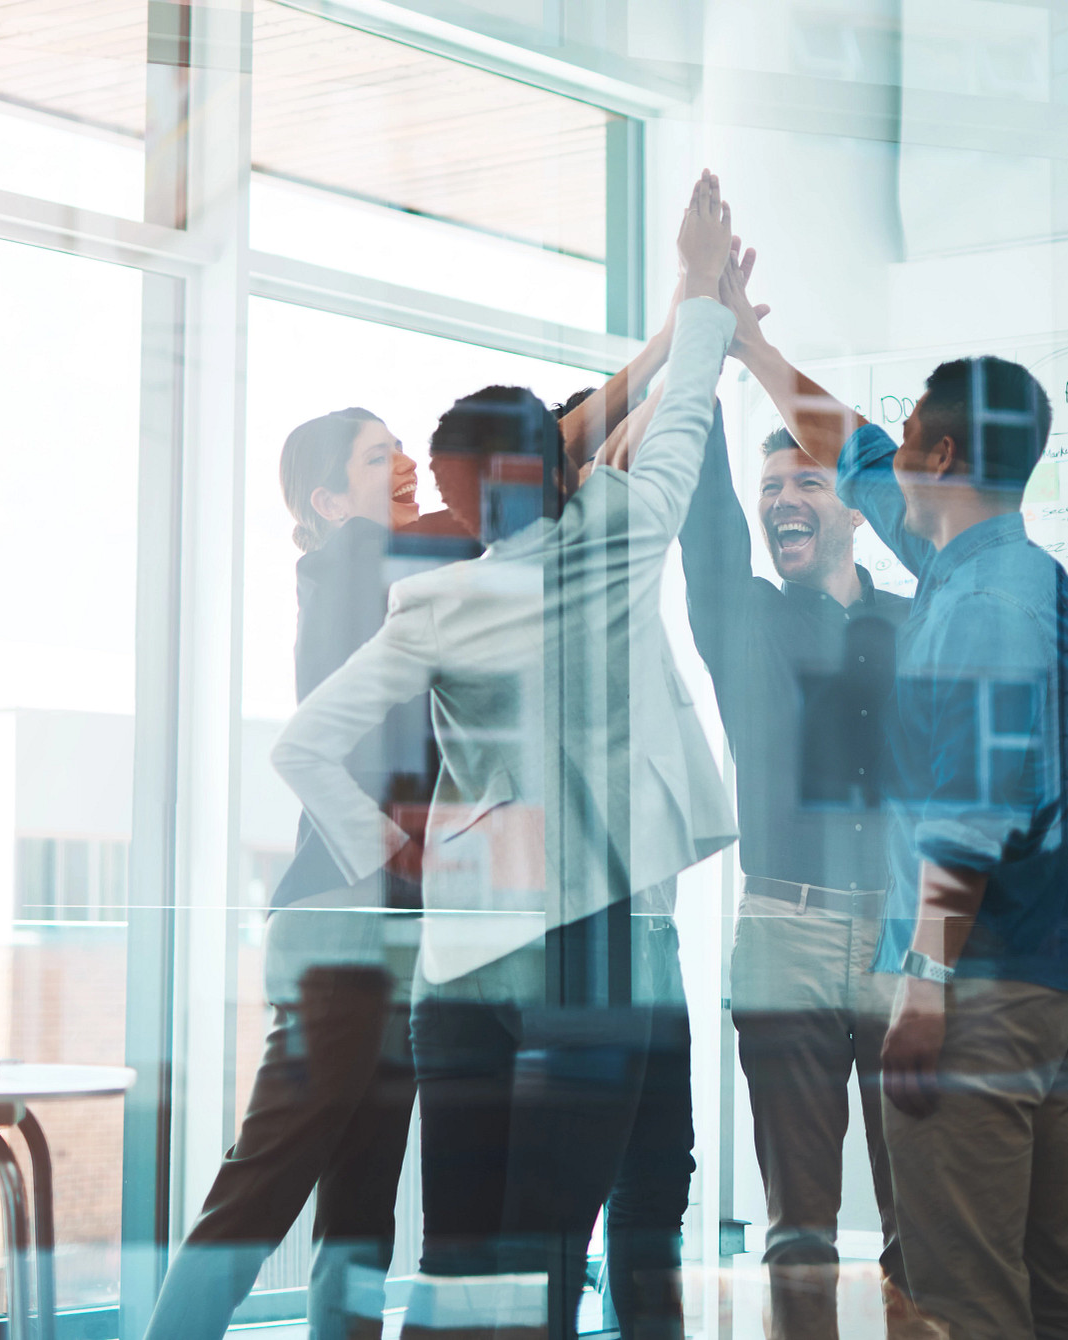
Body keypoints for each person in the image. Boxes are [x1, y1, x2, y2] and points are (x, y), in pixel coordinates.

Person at [272, 172, 744, 1340]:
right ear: (563, 470)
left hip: (461, 963)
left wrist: (405, 851)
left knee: (456, 1258)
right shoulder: (624, 530)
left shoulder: (433, 601)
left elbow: (302, 747)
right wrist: (699, 298)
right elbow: (684, 411)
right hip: (583, 953)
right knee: (542, 1255)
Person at [719, 248, 1068, 1339]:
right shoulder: (972, 560)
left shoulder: (982, 603)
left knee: (960, 1286)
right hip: (1031, 966)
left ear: (941, 455)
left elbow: (972, 811)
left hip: (978, 981)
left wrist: (924, 986)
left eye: (910, 432)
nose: (887, 446)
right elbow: (851, 447)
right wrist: (750, 345)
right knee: (1042, 1264)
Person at [146, 409, 435, 1340]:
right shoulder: (349, 560)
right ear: (329, 502)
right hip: (344, 925)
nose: (406, 464)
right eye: (378, 456)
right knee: (269, 1176)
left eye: (403, 448)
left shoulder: (388, 580)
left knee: (363, 1196)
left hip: (392, 927)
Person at [677, 392, 927, 1339]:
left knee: (927, 1225)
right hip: (786, 934)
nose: (782, 499)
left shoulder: (918, 621)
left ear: (856, 508)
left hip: (907, 940)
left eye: (807, 483)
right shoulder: (743, 619)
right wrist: (707, 356)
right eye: (770, 487)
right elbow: (706, 528)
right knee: (799, 1234)